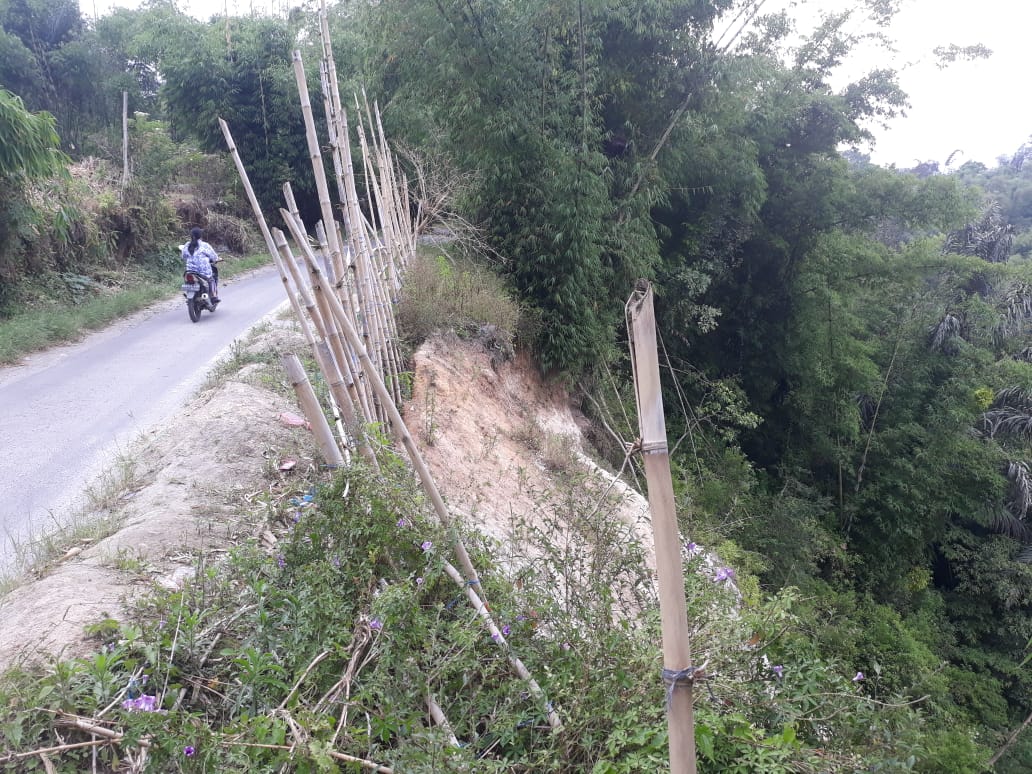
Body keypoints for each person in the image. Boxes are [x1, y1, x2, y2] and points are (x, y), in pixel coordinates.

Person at [181, 227, 221, 303]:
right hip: (203, 272)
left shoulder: (186, 245)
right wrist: (217, 259)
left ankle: (189, 293)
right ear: (200, 236)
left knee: (187, 280)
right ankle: (213, 297)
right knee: (211, 279)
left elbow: (183, 256)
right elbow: (214, 257)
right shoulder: (205, 245)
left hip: (190, 271)